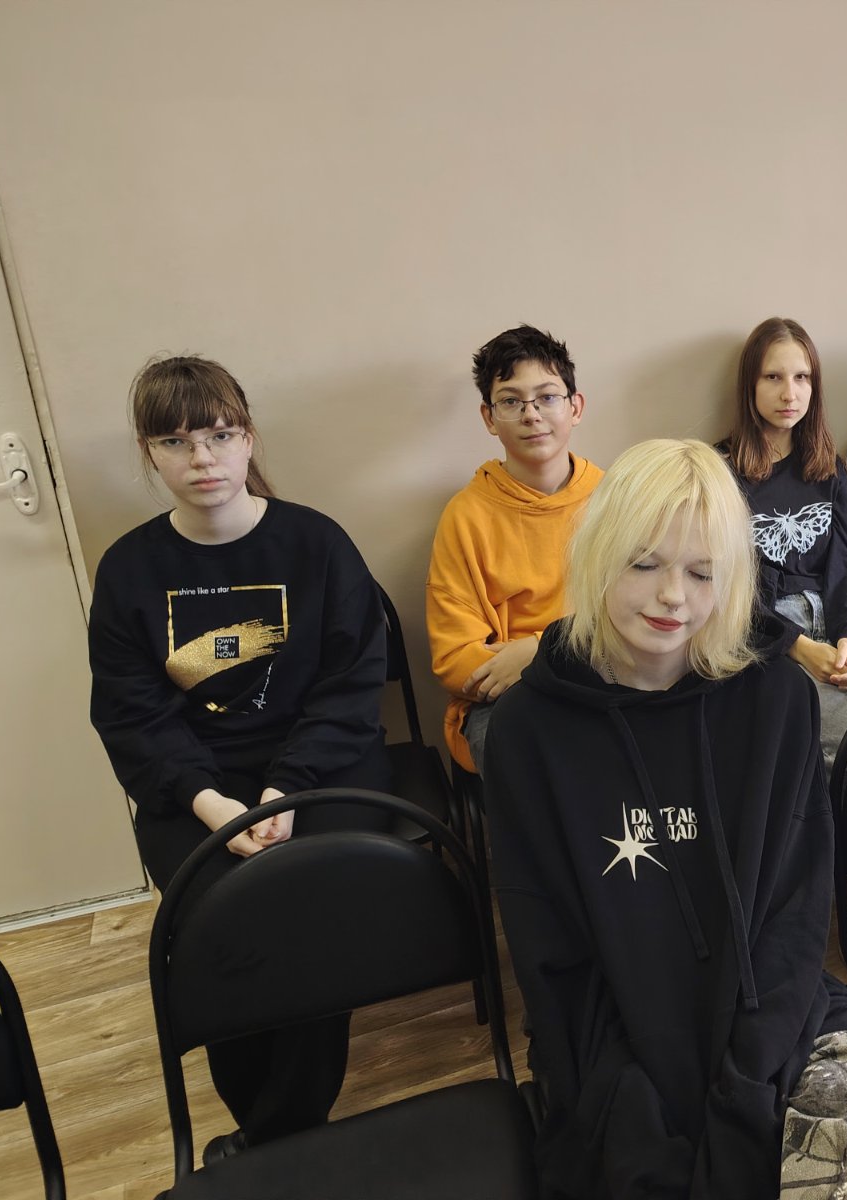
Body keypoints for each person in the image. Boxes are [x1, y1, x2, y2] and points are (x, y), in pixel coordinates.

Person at [484, 439, 847, 1199]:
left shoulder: (776, 699)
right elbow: (551, 955)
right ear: (599, 556)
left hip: (777, 1006)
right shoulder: (527, 731)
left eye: (702, 573)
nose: (673, 596)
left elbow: (796, 912)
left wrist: (747, 1074)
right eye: (644, 565)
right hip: (616, 1027)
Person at [88, 355, 390, 1163]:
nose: (202, 459)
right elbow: (132, 716)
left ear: (248, 437)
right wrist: (214, 805)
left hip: (322, 768)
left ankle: (273, 1139)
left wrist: (286, 788)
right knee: (223, 918)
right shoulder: (128, 570)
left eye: (219, 436)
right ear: (150, 454)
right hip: (194, 787)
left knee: (312, 903)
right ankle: (275, 1128)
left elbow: (351, 687)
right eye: (176, 442)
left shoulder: (317, 543)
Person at [426, 324, 603, 775]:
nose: (531, 415)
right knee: (530, 763)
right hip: (509, 697)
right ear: (489, 418)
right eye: (511, 401)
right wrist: (543, 665)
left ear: (575, 407)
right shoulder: (466, 516)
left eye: (547, 397)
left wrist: (540, 651)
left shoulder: (615, 500)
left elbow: (639, 624)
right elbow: (455, 659)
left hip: (606, 677)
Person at [718, 317, 847, 764]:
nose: (790, 393)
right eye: (773, 377)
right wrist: (798, 647)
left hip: (833, 625)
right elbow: (724, 589)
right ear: (750, 384)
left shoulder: (827, 466)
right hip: (768, 635)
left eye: (802, 378)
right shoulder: (720, 471)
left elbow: (846, 564)